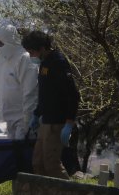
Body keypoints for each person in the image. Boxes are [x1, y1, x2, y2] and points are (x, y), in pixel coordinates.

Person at [21, 31, 80, 180]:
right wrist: (37, 113)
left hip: (57, 122)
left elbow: (72, 94)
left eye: (32, 51)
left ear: (41, 48)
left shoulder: (58, 62)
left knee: (51, 164)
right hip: (45, 120)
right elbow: (45, 93)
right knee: (38, 163)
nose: (31, 55)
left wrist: (69, 123)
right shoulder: (44, 63)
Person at [0, 24, 38, 140]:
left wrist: (28, 120)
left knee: (23, 154)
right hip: (8, 118)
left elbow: (30, 92)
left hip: (23, 118)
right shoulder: (2, 58)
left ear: (8, 41)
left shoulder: (24, 59)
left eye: (0, 43)